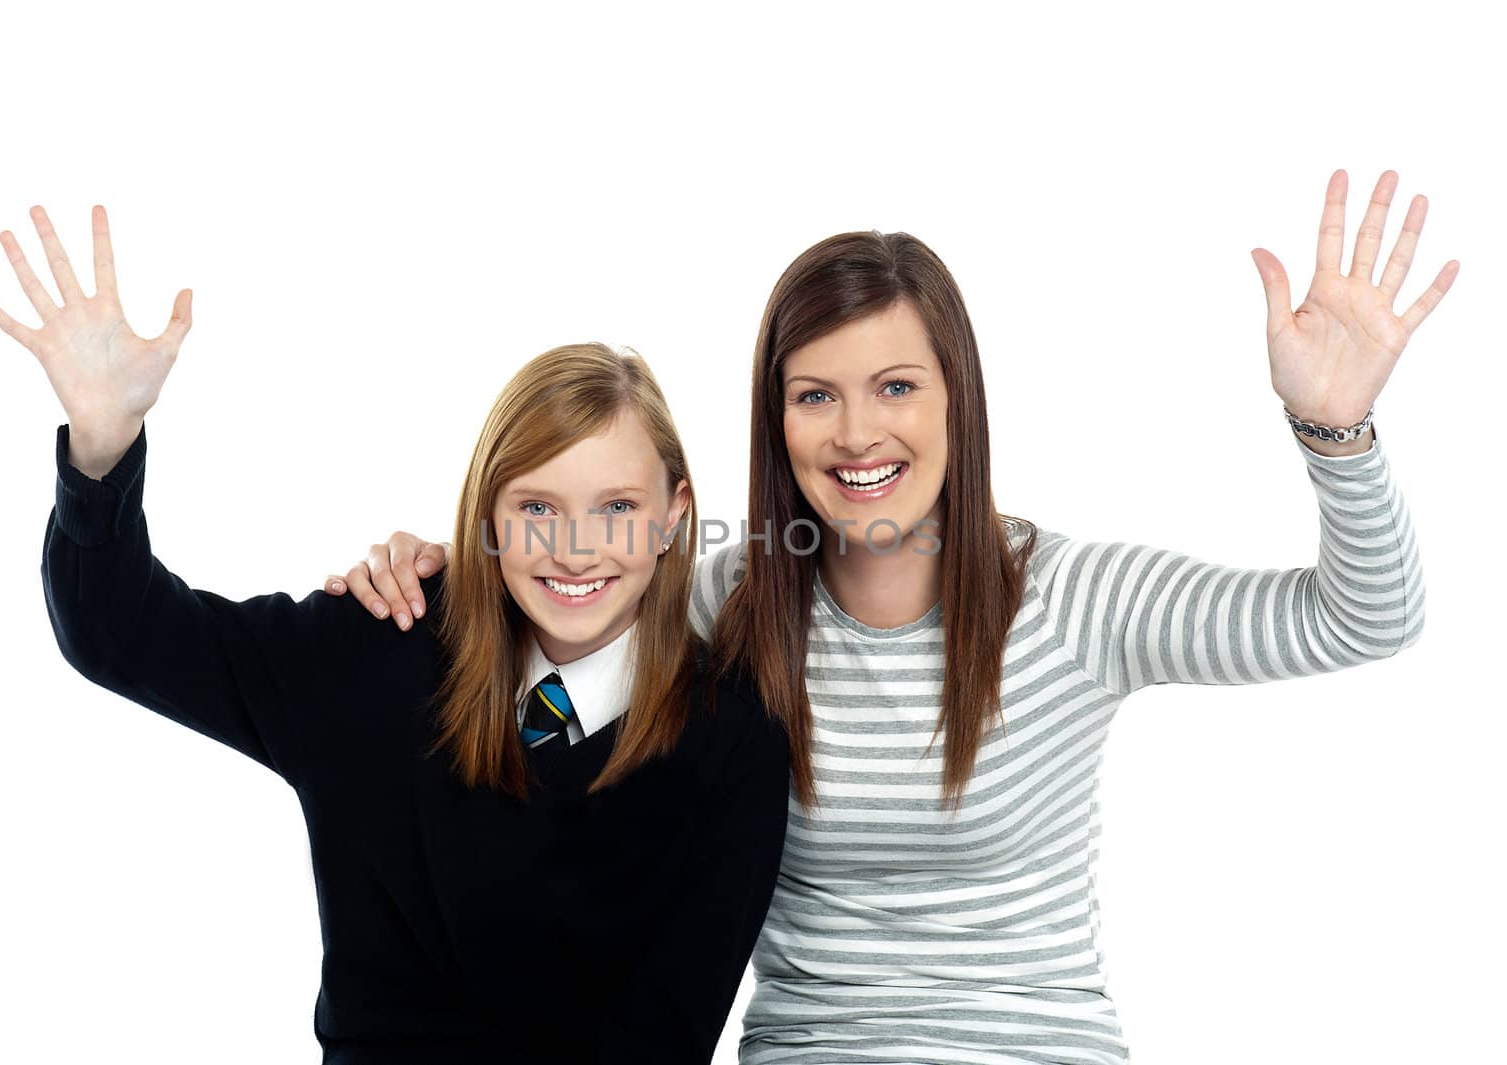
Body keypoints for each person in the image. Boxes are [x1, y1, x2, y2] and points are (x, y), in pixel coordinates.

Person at [326, 169, 1449, 1063]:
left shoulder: (1074, 602)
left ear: (956, 395)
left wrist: (1333, 433)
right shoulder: (723, 606)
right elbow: (551, 674)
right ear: (777, 421)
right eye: (816, 395)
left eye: (896, 387)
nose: (857, 434)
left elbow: (1365, 619)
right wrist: (434, 585)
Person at [0, 205, 791, 1064]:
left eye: (617, 507)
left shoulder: (729, 738)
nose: (576, 547)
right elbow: (119, 632)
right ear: (488, 516)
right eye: (537, 508)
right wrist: (105, 449)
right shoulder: (382, 645)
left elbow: (664, 1038)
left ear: (674, 515)